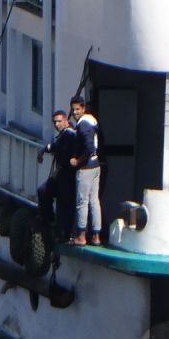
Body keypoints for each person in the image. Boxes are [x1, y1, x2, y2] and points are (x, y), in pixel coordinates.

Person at [36, 110, 78, 241]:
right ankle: (51, 221)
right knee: (45, 192)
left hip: (67, 173)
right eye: (55, 122)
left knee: (64, 201)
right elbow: (54, 146)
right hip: (60, 173)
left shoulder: (69, 134)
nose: (57, 124)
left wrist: (49, 150)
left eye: (59, 121)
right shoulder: (63, 135)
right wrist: (44, 150)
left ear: (66, 120)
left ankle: (63, 230)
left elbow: (60, 149)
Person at [69, 95, 103, 246]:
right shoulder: (92, 120)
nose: (75, 112)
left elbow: (89, 147)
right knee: (94, 201)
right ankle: (96, 236)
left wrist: (77, 160)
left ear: (83, 108)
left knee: (82, 201)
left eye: (78, 109)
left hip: (87, 168)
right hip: (96, 165)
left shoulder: (82, 125)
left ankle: (81, 236)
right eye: (73, 110)